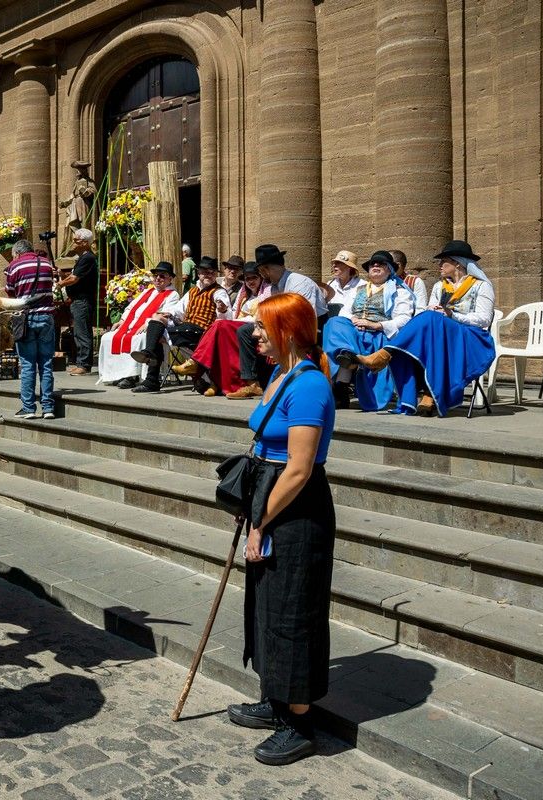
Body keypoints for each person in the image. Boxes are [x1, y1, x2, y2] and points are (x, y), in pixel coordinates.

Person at [227, 291, 336, 767]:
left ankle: (299, 722)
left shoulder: (309, 385)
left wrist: (261, 520)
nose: (253, 334)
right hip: (269, 497)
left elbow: (299, 468)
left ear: (287, 332)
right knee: (266, 604)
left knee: (293, 611)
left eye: (260, 327)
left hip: (296, 508)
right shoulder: (278, 374)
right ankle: (274, 698)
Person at [357, 240, 496, 416]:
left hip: (471, 337)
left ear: (458, 263)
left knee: (429, 321)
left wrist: (452, 315)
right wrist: (438, 311)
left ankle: (385, 355)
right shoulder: (440, 286)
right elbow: (431, 311)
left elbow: (484, 319)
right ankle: (427, 394)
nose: (439, 265)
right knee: (428, 321)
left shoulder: (481, 286)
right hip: (440, 335)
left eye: (443, 261)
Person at [227, 245, 328, 399]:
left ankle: (286, 377)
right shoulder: (274, 287)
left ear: (268, 268)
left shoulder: (299, 283)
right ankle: (252, 384)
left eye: (262, 270)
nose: (262, 274)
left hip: (310, 327)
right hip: (282, 324)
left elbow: (304, 318)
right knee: (245, 331)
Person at [322, 251, 415, 410]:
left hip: (378, 335)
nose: (376, 266)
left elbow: (404, 319)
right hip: (355, 332)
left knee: (346, 343)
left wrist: (375, 325)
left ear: (389, 270)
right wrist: (355, 321)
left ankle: (348, 368)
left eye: (381, 264)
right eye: (373, 264)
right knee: (335, 322)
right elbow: (345, 312)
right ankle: (345, 374)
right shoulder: (359, 289)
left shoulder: (400, 292)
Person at [128, 257, 230, 393]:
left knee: (157, 334)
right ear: (198, 273)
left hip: (201, 332)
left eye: (212, 273)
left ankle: (151, 376)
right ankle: (150, 361)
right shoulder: (192, 291)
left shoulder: (219, 291)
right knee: (157, 319)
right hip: (186, 329)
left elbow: (227, 315)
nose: (208, 275)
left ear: (216, 275)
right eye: (205, 272)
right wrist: (168, 314)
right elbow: (178, 310)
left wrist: (222, 308)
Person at [175, 261, 271, 395]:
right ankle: (216, 382)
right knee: (219, 329)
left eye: (254, 277)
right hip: (237, 326)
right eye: (247, 278)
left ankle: (197, 364)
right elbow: (233, 314)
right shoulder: (244, 295)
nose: (250, 281)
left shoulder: (266, 294)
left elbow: (260, 317)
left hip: (256, 327)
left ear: (261, 278)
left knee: (218, 324)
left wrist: (225, 311)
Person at [96, 261, 180, 388]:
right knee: (107, 337)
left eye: (162, 276)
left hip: (154, 328)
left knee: (139, 339)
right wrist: (122, 321)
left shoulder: (172, 295)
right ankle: (115, 374)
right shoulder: (148, 291)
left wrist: (148, 324)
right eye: (155, 275)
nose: (158, 278)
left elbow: (165, 314)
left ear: (170, 278)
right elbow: (131, 307)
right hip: (132, 324)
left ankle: (132, 376)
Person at [5, 239, 57, 419]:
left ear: (17, 253)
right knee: (46, 364)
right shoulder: (46, 263)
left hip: (26, 318)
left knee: (27, 365)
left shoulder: (15, 266)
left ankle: (28, 408)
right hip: (47, 317)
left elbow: (10, 293)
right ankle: (48, 407)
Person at [56, 228, 98, 375]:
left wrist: (60, 284)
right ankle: (81, 362)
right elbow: (74, 275)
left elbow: (75, 278)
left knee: (82, 332)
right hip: (77, 300)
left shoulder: (88, 258)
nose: (72, 243)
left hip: (82, 300)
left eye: (76, 241)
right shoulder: (82, 258)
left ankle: (84, 364)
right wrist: (63, 275)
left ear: (85, 243)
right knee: (78, 332)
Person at [319, 250, 362, 317]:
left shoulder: (362, 285)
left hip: (352, 324)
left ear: (349, 267)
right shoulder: (330, 284)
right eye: (334, 263)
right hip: (331, 322)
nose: (334, 265)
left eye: (338, 263)